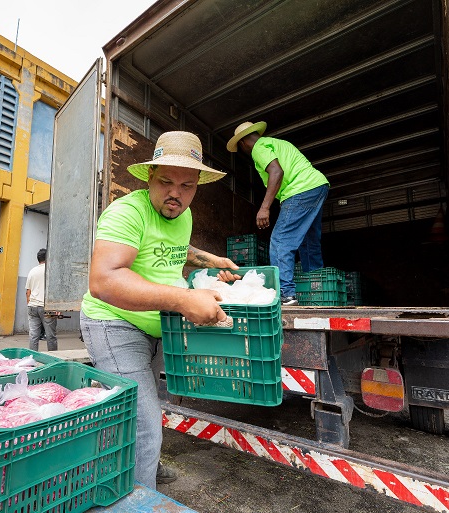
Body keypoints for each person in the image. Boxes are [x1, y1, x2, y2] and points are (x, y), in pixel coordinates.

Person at [80, 131, 238, 489]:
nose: (175, 194)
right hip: (114, 322)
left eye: (187, 185)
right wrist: (183, 300)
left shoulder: (183, 214)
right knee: (144, 424)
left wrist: (212, 261)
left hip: (156, 327)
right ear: (150, 176)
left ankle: (140, 467)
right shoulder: (127, 212)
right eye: (166, 181)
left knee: (141, 410)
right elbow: (104, 280)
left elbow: (179, 249)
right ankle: (138, 501)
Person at [228, 121, 330, 305]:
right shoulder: (276, 143)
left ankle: (286, 293)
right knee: (309, 242)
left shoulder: (259, 148)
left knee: (281, 240)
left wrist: (264, 207)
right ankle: (317, 290)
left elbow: (276, 171)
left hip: (299, 190)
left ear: (242, 143)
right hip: (317, 186)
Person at [25, 248, 57, 351]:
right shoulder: (51, 271)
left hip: (32, 306)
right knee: (50, 336)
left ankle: (32, 357)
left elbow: (28, 292)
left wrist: (30, 304)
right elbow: (54, 291)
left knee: (33, 336)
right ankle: (53, 357)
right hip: (47, 308)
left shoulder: (32, 271)